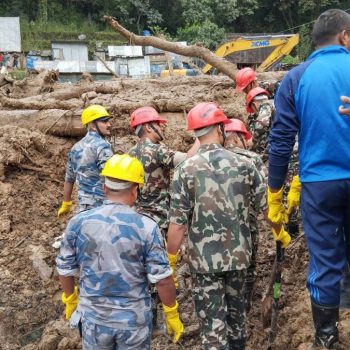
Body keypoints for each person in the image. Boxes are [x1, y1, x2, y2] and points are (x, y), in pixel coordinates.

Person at [268, 9, 350, 349]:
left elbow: (281, 139)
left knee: (326, 260)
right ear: (345, 36)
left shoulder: (296, 77)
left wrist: (275, 190)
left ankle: (326, 338)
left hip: (319, 184)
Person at [56, 154, 184, 349]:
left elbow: (65, 269)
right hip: (133, 324)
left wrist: (70, 299)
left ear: (104, 188)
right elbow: (163, 280)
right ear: (136, 190)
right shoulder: (147, 227)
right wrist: (171, 312)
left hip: (94, 321)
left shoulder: (78, 222)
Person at [167, 102, 267, 350]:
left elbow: (177, 225)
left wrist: (170, 259)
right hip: (240, 258)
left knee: (213, 331)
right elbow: (268, 209)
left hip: (204, 264)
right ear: (221, 129)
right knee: (237, 323)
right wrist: (281, 233)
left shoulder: (184, 171)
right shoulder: (245, 164)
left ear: (195, 134)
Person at [128, 106, 199, 329]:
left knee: (142, 269)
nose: (161, 129)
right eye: (158, 125)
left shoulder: (129, 154)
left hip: (136, 219)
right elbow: (187, 159)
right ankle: (165, 318)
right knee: (160, 271)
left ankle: (147, 317)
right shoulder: (156, 150)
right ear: (147, 127)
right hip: (158, 221)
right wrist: (201, 135)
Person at [224, 119, 268, 313]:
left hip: (217, 224)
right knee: (249, 264)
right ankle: (244, 305)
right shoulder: (252, 159)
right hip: (246, 222)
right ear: (237, 137)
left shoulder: (210, 158)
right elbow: (263, 193)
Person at [57, 105, 113, 217]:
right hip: (102, 208)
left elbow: (69, 178)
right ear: (92, 125)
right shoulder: (102, 146)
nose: (109, 124)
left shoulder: (75, 148)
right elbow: (111, 177)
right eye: (104, 122)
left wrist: (66, 203)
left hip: (83, 208)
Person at [246, 87, 274, 162]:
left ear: (254, 104)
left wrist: (252, 140)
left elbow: (261, 126)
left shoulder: (265, 105)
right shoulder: (275, 104)